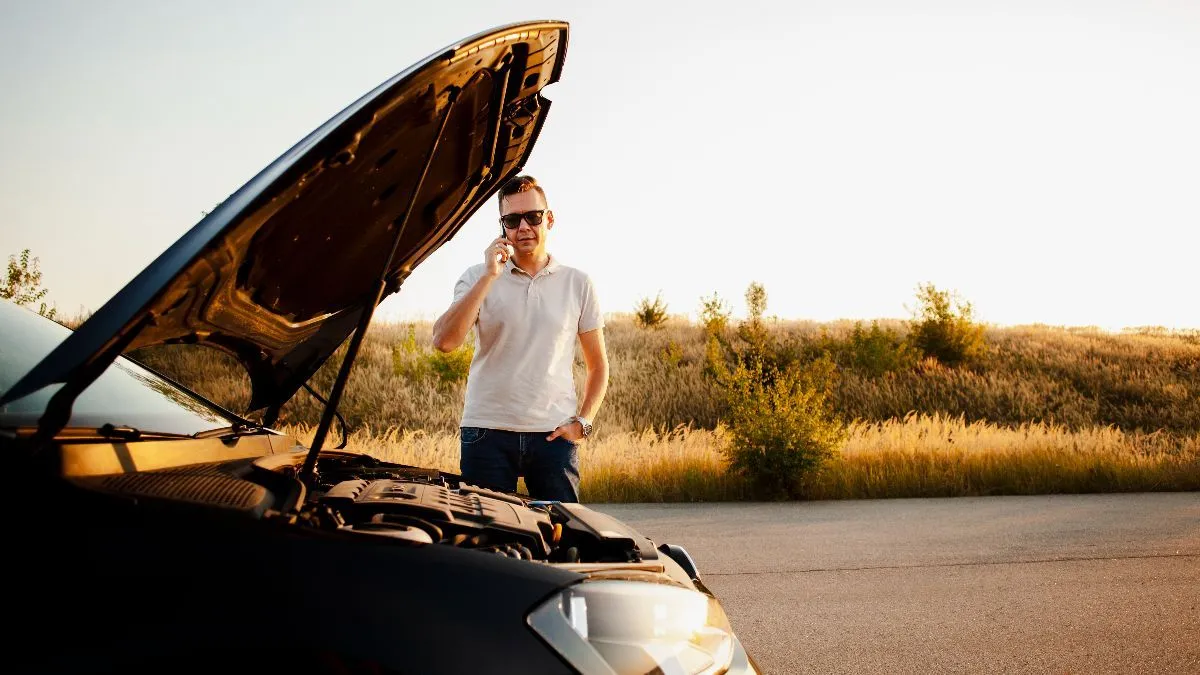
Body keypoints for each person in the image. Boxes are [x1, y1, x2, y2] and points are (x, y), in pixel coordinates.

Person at [431, 174, 608, 503]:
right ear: (502, 227)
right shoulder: (475, 276)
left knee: (562, 540)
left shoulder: (578, 283)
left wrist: (583, 423)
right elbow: (444, 341)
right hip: (487, 432)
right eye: (512, 220)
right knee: (487, 545)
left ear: (549, 219)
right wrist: (488, 276)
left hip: (553, 435)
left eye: (533, 217)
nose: (523, 227)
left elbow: (598, 366)